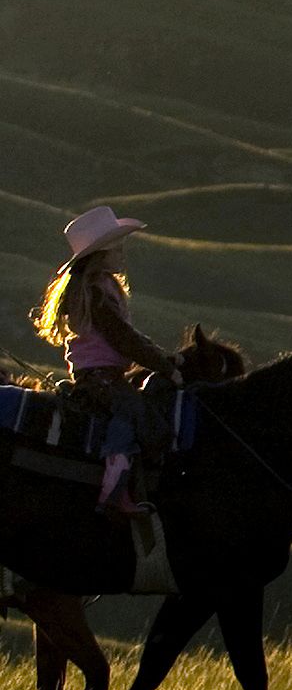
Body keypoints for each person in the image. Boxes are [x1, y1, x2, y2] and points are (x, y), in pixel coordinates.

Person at [34, 206, 171, 520]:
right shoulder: (97, 292)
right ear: (101, 255)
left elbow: (126, 337)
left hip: (100, 373)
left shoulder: (100, 288)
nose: (122, 255)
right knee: (132, 415)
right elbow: (122, 337)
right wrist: (165, 365)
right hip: (100, 376)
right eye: (117, 249)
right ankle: (114, 492)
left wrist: (159, 357)